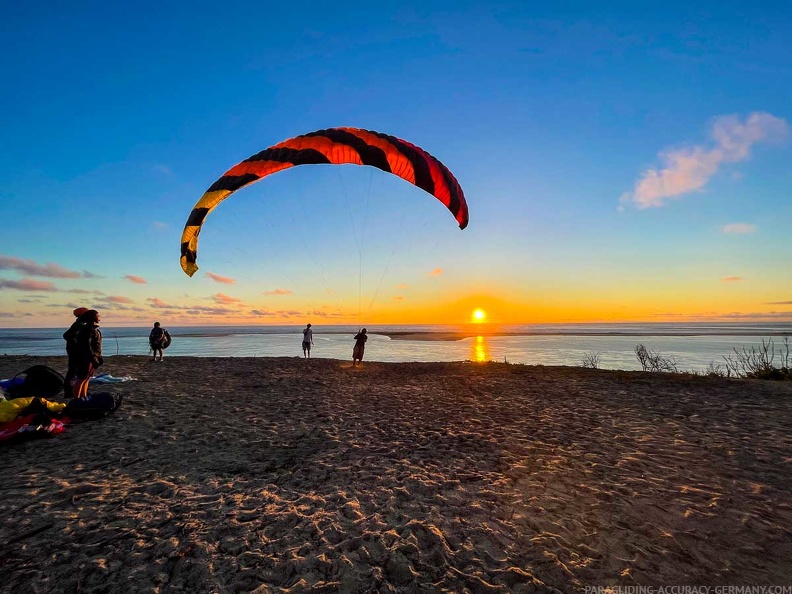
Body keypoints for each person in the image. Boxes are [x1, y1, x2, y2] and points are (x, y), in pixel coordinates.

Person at [72, 309, 103, 399]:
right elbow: (86, 346)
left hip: (92, 357)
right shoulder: (88, 330)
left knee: (86, 378)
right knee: (81, 379)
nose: (100, 317)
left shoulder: (94, 329)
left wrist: (97, 356)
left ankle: (83, 396)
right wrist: (93, 357)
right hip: (86, 358)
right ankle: (77, 398)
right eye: (98, 315)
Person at [63, 307, 90, 398]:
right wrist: (76, 344)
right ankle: (69, 392)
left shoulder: (81, 323)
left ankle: (72, 391)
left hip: (74, 350)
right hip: (74, 351)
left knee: (74, 371)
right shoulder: (79, 324)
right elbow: (67, 335)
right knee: (73, 370)